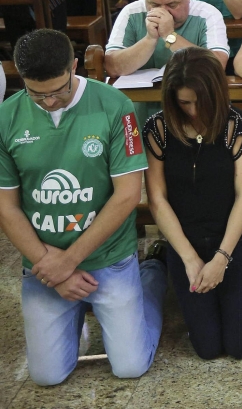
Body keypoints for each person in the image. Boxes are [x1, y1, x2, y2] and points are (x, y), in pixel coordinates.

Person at [0, 29, 166, 385]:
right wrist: (52, 269)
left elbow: (126, 195)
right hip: (44, 262)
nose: (48, 102)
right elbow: (6, 207)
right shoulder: (6, 117)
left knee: (130, 366)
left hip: (107, 256)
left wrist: (69, 261)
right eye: (36, 94)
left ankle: (151, 276)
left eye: (58, 90)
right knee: (46, 376)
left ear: (74, 67)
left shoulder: (115, 105)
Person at [142, 47, 242, 360]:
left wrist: (222, 258)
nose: (194, 111)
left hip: (235, 241)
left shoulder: (237, 126)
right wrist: (189, 258)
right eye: (184, 103)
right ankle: (156, 263)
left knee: (240, 347)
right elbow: (157, 199)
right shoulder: (158, 129)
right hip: (186, 241)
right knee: (207, 349)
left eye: (200, 102)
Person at [104, 0, 229, 79]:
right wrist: (150, 39)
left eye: (172, 5)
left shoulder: (208, 14)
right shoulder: (131, 12)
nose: (163, 12)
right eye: (154, 4)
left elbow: (217, 66)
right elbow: (112, 67)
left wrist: (170, 36)